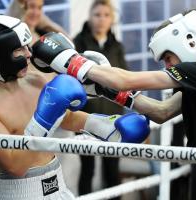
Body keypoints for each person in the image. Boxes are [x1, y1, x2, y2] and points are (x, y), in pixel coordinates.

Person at [30, 10, 196, 200]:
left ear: (188, 41)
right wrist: (111, 92)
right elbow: (162, 112)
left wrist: (71, 61)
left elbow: (126, 79)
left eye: (167, 57)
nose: (167, 66)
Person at [0, 14, 150, 200]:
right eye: (19, 50)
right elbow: (14, 166)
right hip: (22, 193)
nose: (29, 54)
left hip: (58, 185)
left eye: (27, 46)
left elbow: (65, 116)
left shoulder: (33, 79)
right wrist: (42, 120)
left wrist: (104, 127)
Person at [73, 0, 127, 197]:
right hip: (85, 118)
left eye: (106, 15)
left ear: (112, 18)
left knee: (112, 169)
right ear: (89, 17)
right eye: (97, 14)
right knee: (87, 169)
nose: (101, 19)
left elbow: (125, 78)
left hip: (113, 118)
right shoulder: (78, 44)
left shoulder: (117, 46)